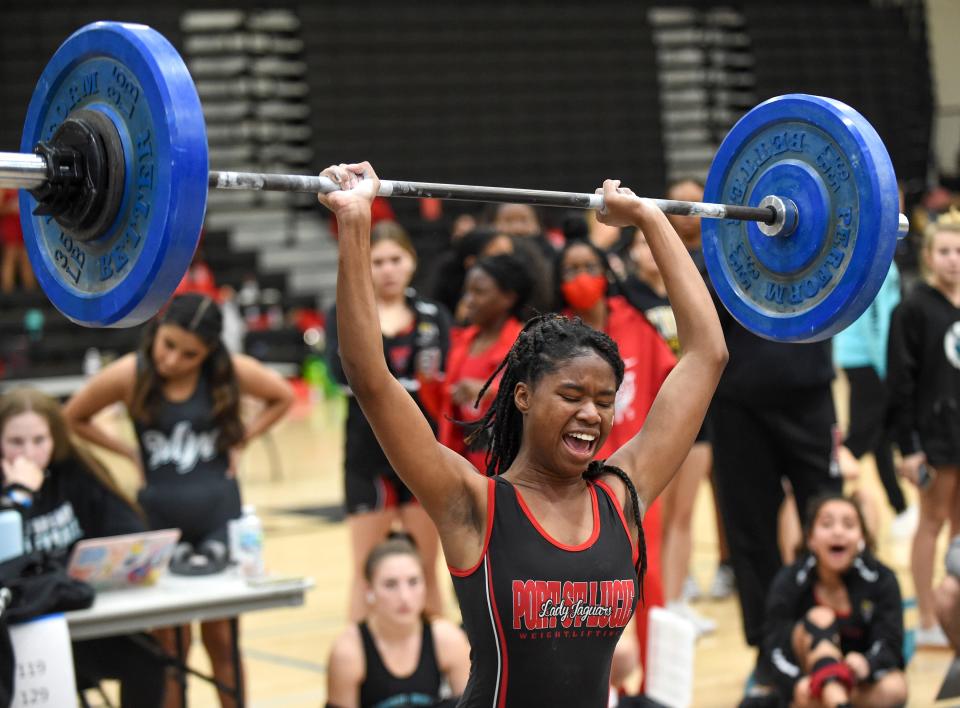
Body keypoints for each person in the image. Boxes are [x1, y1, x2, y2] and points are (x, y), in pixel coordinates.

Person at [320, 161, 726, 706]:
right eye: (572, 396)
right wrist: (355, 225)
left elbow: (706, 354)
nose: (592, 415)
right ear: (524, 396)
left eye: (604, 401)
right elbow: (370, 377)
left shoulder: (622, 496)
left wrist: (650, 220)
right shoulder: (472, 503)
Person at [63, 293, 294, 708]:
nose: (173, 361)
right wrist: (127, 452)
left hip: (220, 514)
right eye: (168, 346)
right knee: (169, 647)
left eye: (190, 355)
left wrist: (245, 438)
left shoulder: (227, 372)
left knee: (222, 640)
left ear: (208, 352)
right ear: (156, 331)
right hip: (156, 519)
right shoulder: (130, 374)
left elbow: (283, 396)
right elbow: (72, 417)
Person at [0, 388, 166, 707]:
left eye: (39, 441)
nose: (28, 453)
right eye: (15, 442)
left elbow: (127, 529)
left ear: (55, 438)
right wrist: (19, 496)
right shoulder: (11, 495)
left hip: (82, 621)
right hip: (18, 635)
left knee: (148, 660)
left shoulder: (74, 471)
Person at [326, 220, 451, 621]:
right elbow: (338, 373)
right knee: (365, 574)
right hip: (368, 458)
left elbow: (445, 380)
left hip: (423, 454)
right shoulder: (345, 313)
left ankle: (447, 676)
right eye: (377, 261)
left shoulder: (434, 315)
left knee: (427, 571)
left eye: (395, 259)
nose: (387, 269)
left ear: (411, 262)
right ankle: (362, 673)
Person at [623, 229, 717, 635]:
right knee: (653, 521)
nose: (647, 250)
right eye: (638, 244)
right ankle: (652, 603)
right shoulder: (627, 299)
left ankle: (677, 599)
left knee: (683, 515)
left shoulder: (684, 293)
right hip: (652, 419)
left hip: (695, 415)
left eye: (651, 241)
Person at [887, 208, 960, 649]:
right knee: (931, 522)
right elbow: (901, 382)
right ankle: (929, 617)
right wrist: (909, 447)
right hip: (934, 438)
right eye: (945, 251)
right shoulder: (913, 309)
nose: (954, 259)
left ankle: (953, 608)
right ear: (929, 256)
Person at [757, 494, 907, 708]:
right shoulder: (790, 580)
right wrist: (796, 683)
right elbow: (774, 650)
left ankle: (832, 700)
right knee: (820, 618)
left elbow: (891, 643)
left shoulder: (881, 579)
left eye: (848, 525)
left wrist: (867, 663)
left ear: (861, 538)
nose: (838, 532)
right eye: (827, 524)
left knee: (895, 688)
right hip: (807, 681)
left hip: (853, 682)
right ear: (811, 538)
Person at [326, 536, 471, 708]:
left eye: (413, 582)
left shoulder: (449, 640)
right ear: (369, 590)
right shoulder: (348, 652)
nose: (404, 597)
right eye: (390, 584)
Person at [438, 253, 532, 472]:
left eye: (478, 292)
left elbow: (538, 393)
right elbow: (446, 409)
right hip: (465, 469)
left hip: (511, 472)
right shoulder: (461, 341)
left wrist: (490, 391)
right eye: (466, 291)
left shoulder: (525, 343)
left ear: (508, 297)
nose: (467, 301)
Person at [0, 188, 35, 294]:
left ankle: (30, 294)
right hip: (11, 227)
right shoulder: (4, 188)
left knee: (27, 259)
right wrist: (11, 207)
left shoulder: (23, 188)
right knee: (10, 257)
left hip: (23, 228)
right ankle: (7, 293)